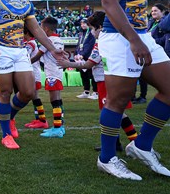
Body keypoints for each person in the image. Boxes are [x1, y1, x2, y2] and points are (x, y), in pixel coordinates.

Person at [96, 0, 170, 180]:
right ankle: (106, 158)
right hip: (119, 38)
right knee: (119, 98)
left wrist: (140, 37)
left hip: (140, 35)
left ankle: (141, 145)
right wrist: (134, 39)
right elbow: (108, 2)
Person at [0, 0, 64, 150]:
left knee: (28, 92)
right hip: (0, 50)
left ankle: (9, 117)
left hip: (20, 50)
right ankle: (6, 135)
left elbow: (35, 29)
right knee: (4, 92)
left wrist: (52, 48)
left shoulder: (27, 3)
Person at [59, 11, 138, 152]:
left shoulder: (102, 43)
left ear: (100, 27)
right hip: (116, 79)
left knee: (113, 114)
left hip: (106, 82)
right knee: (116, 113)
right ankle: (118, 143)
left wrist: (67, 63)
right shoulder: (115, 39)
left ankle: (135, 142)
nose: (91, 32)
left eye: (92, 28)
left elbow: (89, 64)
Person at [31, 17, 66, 138]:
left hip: (52, 73)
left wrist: (25, 63)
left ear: (45, 29)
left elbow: (37, 57)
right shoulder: (59, 39)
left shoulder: (48, 41)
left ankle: (57, 128)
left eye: (41, 27)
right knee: (58, 100)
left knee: (54, 100)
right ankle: (60, 126)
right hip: (58, 72)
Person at [22, 27, 48, 129]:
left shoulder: (31, 43)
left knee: (35, 97)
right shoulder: (30, 43)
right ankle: (39, 119)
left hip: (33, 74)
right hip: (32, 73)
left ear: (26, 33)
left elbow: (25, 55)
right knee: (34, 97)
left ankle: (42, 120)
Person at [75, 18, 98, 100]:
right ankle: (86, 91)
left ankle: (96, 92)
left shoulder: (91, 33)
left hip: (89, 57)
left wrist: (83, 54)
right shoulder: (81, 33)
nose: (82, 25)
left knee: (93, 75)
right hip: (81, 58)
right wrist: (77, 53)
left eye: (84, 23)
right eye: (81, 24)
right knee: (84, 75)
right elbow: (79, 44)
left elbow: (90, 46)